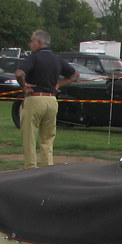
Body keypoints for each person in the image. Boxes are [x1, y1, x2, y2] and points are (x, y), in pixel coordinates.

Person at [14, 29, 79, 168]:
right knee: (47, 139)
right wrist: (59, 84)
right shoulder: (57, 58)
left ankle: (30, 168)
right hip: (51, 100)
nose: (30, 44)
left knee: (29, 138)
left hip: (35, 99)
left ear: (38, 42)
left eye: (32, 41)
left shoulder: (34, 57)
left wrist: (24, 86)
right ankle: (47, 168)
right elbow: (74, 75)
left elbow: (19, 74)